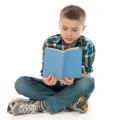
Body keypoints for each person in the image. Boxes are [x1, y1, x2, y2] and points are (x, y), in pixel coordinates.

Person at [7, 4, 96, 116]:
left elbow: (87, 72)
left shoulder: (88, 45)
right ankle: (71, 103)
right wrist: (46, 80)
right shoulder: (49, 42)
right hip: (53, 86)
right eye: (64, 28)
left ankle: (40, 106)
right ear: (59, 25)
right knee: (21, 83)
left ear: (83, 28)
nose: (69, 33)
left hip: (74, 87)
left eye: (74, 29)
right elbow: (45, 70)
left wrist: (75, 77)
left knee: (87, 83)